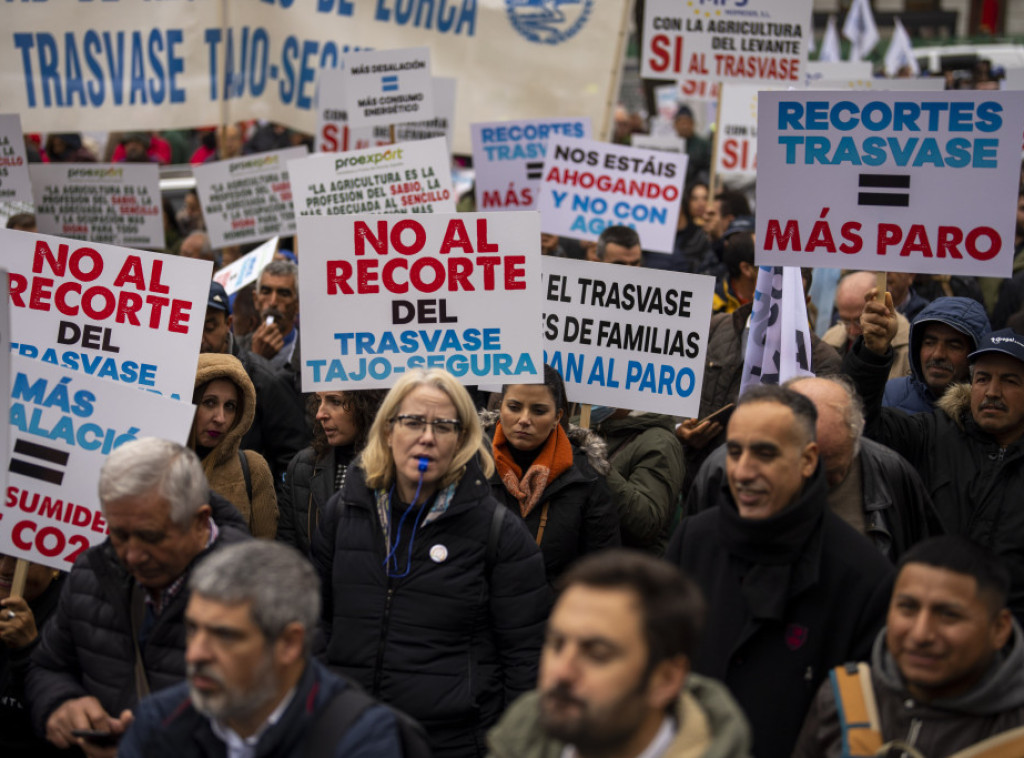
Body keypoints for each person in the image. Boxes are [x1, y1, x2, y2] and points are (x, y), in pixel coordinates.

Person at [313, 368, 550, 758]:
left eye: (443, 425)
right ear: (388, 431)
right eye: (413, 422)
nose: (427, 437)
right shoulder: (343, 513)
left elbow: (525, 661)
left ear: (462, 439)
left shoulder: (499, 533)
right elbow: (315, 623)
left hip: (452, 744)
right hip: (349, 735)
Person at [666, 385, 894, 758]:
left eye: (765, 454)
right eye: (735, 452)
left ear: (808, 460)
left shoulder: (863, 577)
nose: (743, 471)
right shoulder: (695, 540)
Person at [25, 438, 249, 757]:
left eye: (150, 537)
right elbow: (47, 666)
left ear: (200, 522)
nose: (131, 555)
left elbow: (288, 719)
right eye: (118, 534)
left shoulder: (259, 593)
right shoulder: (91, 572)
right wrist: (60, 703)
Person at [120, 541, 408, 757]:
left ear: (289, 643)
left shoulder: (356, 736)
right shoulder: (160, 720)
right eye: (193, 629)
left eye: (225, 636)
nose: (195, 653)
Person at [844, 292, 1024, 624]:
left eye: (1010, 381)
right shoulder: (932, 432)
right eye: (983, 378)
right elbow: (860, 420)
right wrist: (872, 353)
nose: (993, 392)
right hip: (925, 621)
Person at [486, 549, 752, 758]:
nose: (562, 671)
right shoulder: (516, 741)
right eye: (556, 645)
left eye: (597, 655)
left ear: (666, 680)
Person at [793, 536, 1024, 758]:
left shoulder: (1015, 730)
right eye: (908, 608)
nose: (921, 634)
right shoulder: (843, 701)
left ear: (999, 629)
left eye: (948, 615)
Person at [686, 375, 943, 562]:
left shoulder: (892, 473)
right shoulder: (721, 471)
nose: (814, 479)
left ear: (856, 438)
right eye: (804, 463)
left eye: (831, 472)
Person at [485, 365, 620, 581]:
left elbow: (602, 568)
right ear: (500, 408)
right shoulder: (470, 462)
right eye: (514, 407)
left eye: (538, 411)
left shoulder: (586, 476)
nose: (524, 419)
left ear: (557, 416)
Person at [201, 282, 309, 488]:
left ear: (228, 323)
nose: (200, 337)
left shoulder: (266, 380)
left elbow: (291, 458)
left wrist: (267, 505)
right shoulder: (171, 377)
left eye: (209, 327)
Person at [278, 388, 386, 558]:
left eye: (335, 402)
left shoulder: (397, 467)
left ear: (367, 405)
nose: (320, 414)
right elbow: (287, 550)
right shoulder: (303, 466)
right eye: (318, 401)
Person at [191, 353, 278, 537]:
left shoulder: (254, 469)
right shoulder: (161, 467)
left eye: (230, 406)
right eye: (209, 403)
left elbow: (264, 553)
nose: (220, 418)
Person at [0, 556, 66, 758]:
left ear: (55, 568)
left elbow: (60, 714)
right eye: (0, 555)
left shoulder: (75, 620)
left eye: (21, 561)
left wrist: (27, 649)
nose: (4, 568)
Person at [883, 296, 991, 414]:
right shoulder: (891, 395)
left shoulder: (989, 408)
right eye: (929, 343)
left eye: (953, 346)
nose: (938, 355)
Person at [824, 271, 911, 379]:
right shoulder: (830, 339)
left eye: (859, 321)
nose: (852, 331)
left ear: (882, 307)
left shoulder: (909, 348)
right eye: (845, 321)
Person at [643, 181, 717, 275]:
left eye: (705, 198)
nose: (700, 203)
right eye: (694, 198)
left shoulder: (702, 236)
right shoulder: (654, 236)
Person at [243, 260, 301, 372]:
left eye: (283, 294)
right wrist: (256, 357)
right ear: (256, 299)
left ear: (297, 304)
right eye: (266, 292)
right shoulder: (235, 349)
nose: (273, 302)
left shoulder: (312, 353)